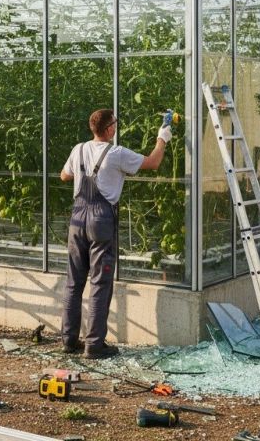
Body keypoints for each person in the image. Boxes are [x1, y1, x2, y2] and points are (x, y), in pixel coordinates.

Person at [60, 108, 173, 359]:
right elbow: (153, 162)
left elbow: (64, 175)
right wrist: (162, 137)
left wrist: (82, 172)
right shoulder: (117, 153)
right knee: (100, 283)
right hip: (100, 219)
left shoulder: (78, 149)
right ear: (109, 129)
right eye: (115, 124)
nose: (116, 127)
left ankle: (68, 340)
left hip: (77, 219)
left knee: (74, 281)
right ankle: (94, 345)